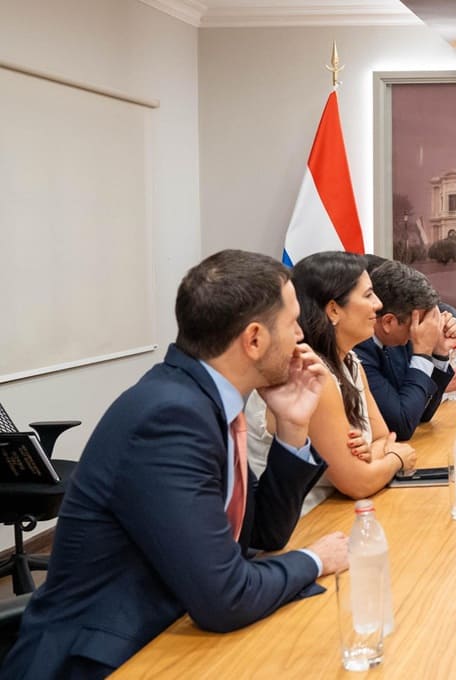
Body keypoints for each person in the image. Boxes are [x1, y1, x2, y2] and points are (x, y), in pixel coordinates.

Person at [1, 251, 349, 679]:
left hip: (170, 634)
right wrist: (314, 559)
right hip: (102, 662)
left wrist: (293, 427)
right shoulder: (169, 418)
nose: (301, 335)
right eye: (293, 322)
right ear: (254, 339)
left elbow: (263, 533)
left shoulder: (204, 401)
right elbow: (224, 598)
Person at [289, 251, 419, 511]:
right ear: (334, 309)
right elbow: (357, 483)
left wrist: (374, 454)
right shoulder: (311, 371)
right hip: (307, 524)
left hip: (339, 511)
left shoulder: (350, 362)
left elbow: (385, 435)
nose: (379, 304)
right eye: (368, 295)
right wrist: (396, 457)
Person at [355, 259, 456, 440]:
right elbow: (402, 425)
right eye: (420, 322)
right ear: (389, 322)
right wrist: (423, 353)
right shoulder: (359, 350)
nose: (425, 329)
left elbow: (422, 414)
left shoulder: (398, 339)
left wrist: (438, 353)